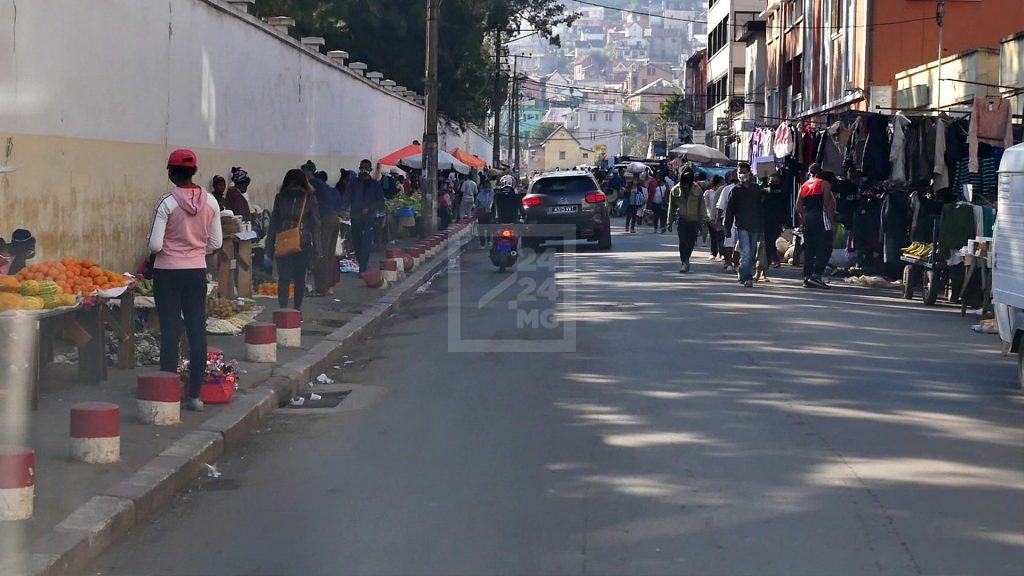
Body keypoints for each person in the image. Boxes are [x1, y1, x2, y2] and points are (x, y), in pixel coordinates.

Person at [148, 149, 223, 412]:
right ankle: (195, 395)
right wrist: (196, 251)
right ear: (193, 172)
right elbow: (216, 243)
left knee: (170, 331)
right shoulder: (211, 202)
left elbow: (155, 245)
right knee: (196, 330)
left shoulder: (166, 203)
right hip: (196, 272)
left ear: (171, 173)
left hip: (168, 273)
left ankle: (168, 394)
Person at [267, 169, 321, 309]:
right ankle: (284, 310)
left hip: (302, 245)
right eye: (290, 185)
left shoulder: (309, 199)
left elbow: (315, 225)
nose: (292, 189)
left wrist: (317, 250)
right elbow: (273, 223)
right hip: (285, 243)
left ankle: (296, 310)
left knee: (298, 279)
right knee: (284, 279)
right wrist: (269, 248)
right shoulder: (280, 198)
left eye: (294, 185)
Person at [302, 160, 343, 297]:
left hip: (324, 221)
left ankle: (321, 289)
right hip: (334, 219)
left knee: (320, 254)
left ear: (308, 172)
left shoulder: (311, 183)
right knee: (329, 255)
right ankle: (328, 286)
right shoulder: (323, 185)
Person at [795, 164, 837, 289]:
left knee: (809, 248)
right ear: (820, 173)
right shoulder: (824, 184)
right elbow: (826, 205)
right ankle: (816, 275)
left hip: (808, 219)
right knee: (826, 247)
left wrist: (806, 215)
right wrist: (832, 223)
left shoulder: (803, 186)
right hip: (821, 217)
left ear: (809, 173)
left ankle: (807, 277)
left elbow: (798, 207)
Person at [341, 159, 384, 276]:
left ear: (370, 169)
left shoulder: (375, 184)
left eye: (366, 168)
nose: (364, 170)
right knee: (356, 241)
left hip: (369, 217)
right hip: (355, 215)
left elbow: (380, 200)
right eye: (362, 167)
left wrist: (369, 208)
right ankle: (362, 263)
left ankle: (363, 268)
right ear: (359, 168)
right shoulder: (353, 183)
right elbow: (347, 196)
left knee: (366, 241)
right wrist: (343, 209)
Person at [725, 163, 764, 288]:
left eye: (743, 172)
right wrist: (727, 228)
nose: (742, 175)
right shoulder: (735, 191)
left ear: (749, 174)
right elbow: (730, 211)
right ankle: (748, 277)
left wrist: (763, 225)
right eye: (739, 173)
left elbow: (762, 208)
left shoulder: (756, 189)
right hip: (742, 226)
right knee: (746, 251)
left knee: (751, 252)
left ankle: (742, 271)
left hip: (755, 226)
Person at [666, 170, 707, 273]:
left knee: (691, 242)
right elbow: (671, 207)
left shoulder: (697, 189)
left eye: (688, 182)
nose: (686, 185)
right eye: (684, 182)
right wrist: (669, 222)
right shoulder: (675, 190)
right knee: (683, 242)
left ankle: (687, 258)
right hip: (681, 219)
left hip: (694, 220)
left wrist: (704, 219)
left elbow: (702, 205)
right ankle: (684, 262)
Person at [716, 175, 739, 273]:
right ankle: (729, 263)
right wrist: (717, 219)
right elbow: (721, 206)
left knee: (740, 244)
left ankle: (736, 263)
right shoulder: (727, 189)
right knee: (729, 242)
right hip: (730, 220)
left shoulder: (750, 189)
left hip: (743, 221)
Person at [703, 175, 725, 260]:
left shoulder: (724, 192)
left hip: (721, 216)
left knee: (721, 235)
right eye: (721, 183)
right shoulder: (708, 193)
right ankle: (713, 252)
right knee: (713, 236)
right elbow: (707, 206)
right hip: (711, 216)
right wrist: (710, 217)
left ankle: (722, 253)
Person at [475, 177, 496, 247]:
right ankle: (487, 241)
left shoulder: (480, 194)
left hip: (484, 214)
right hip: (488, 214)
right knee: (488, 228)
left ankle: (483, 242)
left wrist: (476, 213)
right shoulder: (493, 193)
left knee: (482, 229)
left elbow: (477, 205)